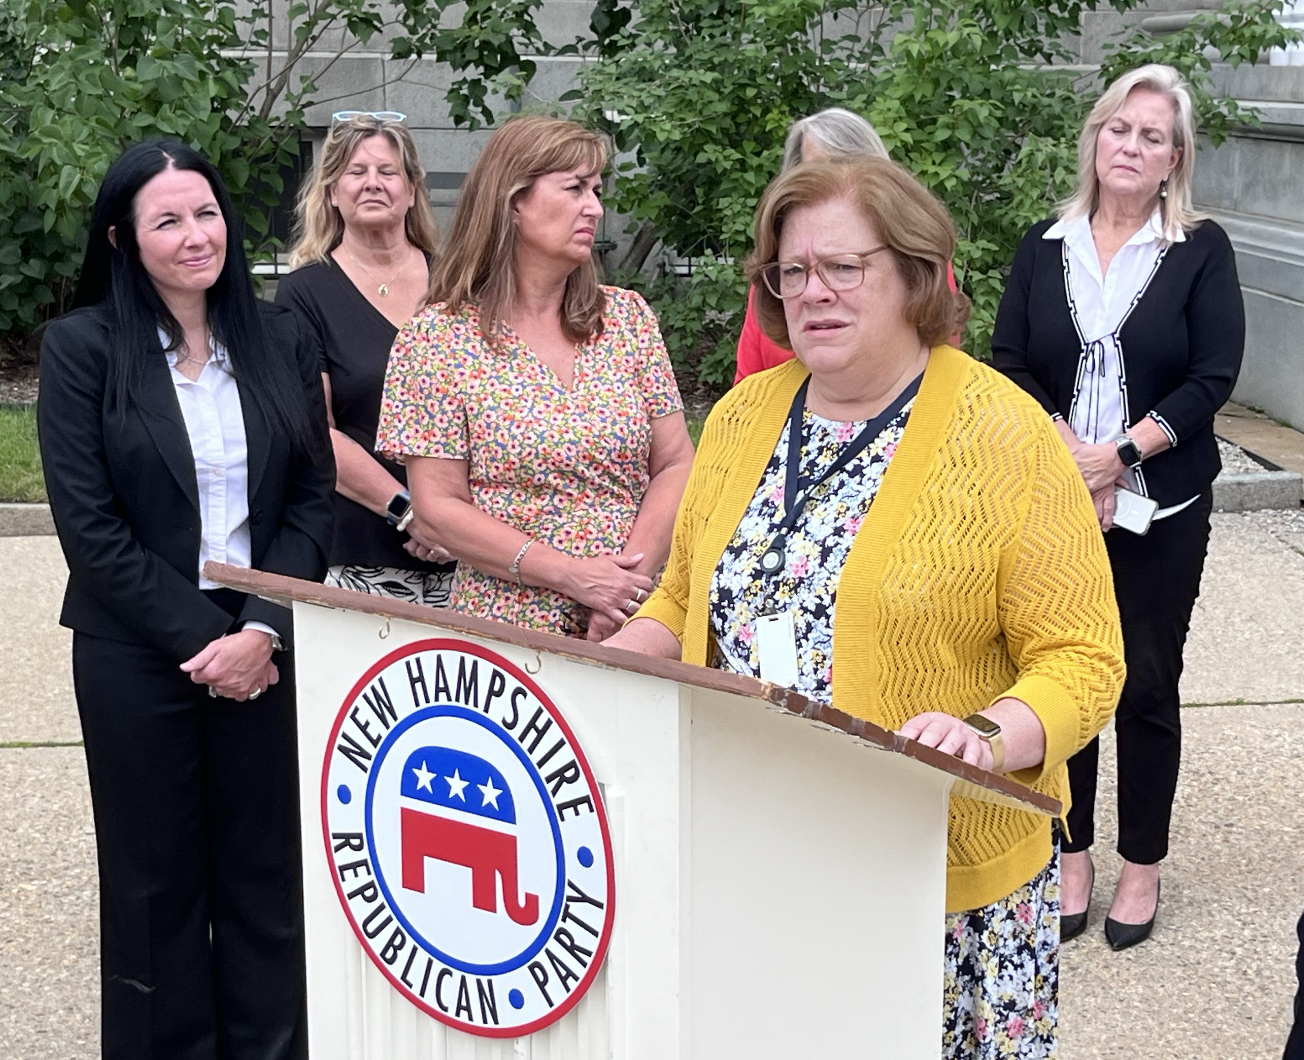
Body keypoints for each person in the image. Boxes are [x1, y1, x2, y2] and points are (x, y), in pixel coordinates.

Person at [605, 158, 1124, 1057]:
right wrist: (614, 664)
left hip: (935, 879)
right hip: (753, 851)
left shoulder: (1005, 434)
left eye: (844, 267)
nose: (815, 292)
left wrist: (987, 735)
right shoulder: (742, 416)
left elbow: (1083, 658)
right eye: (793, 271)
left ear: (915, 272)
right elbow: (683, 593)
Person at [37, 140, 335, 1059]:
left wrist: (263, 628)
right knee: (154, 889)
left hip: (265, 642)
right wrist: (209, 639)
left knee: (264, 878)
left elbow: (312, 500)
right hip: (136, 648)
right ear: (123, 240)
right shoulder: (83, 349)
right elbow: (89, 529)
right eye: (166, 220)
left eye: (205, 213)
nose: (195, 235)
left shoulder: (280, 339)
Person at [992, 63, 1245, 951]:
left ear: (1175, 159)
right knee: (1062, 676)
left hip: (1159, 506)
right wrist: (1070, 453)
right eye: (1119, 128)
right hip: (1055, 502)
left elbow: (1212, 376)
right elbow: (1010, 359)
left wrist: (1119, 456)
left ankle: (1142, 862)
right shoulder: (1044, 245)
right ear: (1095, 138)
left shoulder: (1200, 249)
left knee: (1144, 680)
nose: (1131, 146)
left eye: (1152, 136)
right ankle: (1073, 851)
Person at [376, 115, 695, 641]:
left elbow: (676, 462)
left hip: (635, 625)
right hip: (507, 632)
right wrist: (572, 575)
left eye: (596, 190)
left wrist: (624, 590)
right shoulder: (437, 339)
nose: (594, 207)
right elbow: (436, 507)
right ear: (513, 201)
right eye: (575, 188)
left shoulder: (626, 319)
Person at [275, 112, 455, 606]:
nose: (372, 183)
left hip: (472, 555)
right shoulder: (303, 294)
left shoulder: (460, 285)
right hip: (361, 556)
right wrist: (412, 513)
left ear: (412, 190)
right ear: (332, 192)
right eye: (356, 172)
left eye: (387, 171)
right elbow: (316, 431)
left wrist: (455, 522)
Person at [732, 107, 957, 384]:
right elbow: (747, 382)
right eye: (818, 170)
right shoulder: (777, 276)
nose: (813, 292)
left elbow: (942, 367)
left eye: (844, 266)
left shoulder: (919, 259)